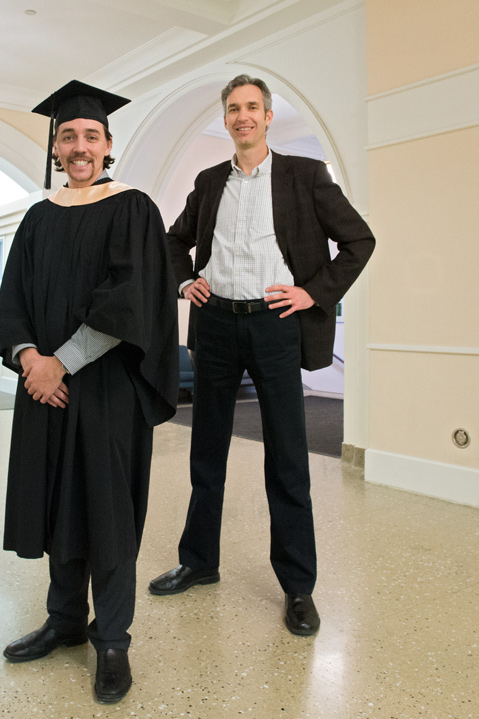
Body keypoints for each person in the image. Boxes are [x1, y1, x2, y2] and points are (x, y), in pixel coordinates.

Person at [148, 75, 375, 637]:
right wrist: (184, 283)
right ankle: (199, 562)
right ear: (225, 119)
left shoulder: (304, 174)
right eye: (233, 109)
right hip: (217, 324)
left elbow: (359, 240)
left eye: (252, 107)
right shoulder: (207, 182)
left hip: (276, 325)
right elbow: (174, 241)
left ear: (269, 116)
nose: (242, 116)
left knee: (289, 460)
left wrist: (312, 293)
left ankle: (298, 588)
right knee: (207, 454)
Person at [0, 80, 179, 704]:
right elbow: (11, 298)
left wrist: (60, 364)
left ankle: (114, 639)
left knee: (105, 508)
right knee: (56, 499)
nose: (79, 147)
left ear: (108, 146)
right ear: (55, 147)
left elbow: (130, 302)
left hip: (104, 391)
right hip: (43, 387)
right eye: (68, 136)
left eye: (91, 137)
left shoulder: (134, 209)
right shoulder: (38, 216)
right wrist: (28, 359)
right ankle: (66, 620)